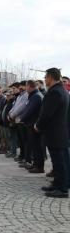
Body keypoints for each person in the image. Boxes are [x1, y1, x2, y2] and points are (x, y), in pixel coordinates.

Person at [35, 68, 70, 198]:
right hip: (61, 132)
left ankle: (62, 189)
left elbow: (46, 114)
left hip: (55, 132)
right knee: (61, 161)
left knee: (60, 162)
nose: (45, 80)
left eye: (45, 77)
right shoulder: (63, 90)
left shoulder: (54, 92)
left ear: (50, 77)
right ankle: (58, 183)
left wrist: (38, 125)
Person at [18, 80, 44, 173]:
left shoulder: (36, 96)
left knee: (37, 147)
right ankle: (35, 164)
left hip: (34, 125)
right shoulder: (34, 95)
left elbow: (29, 110)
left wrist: (21, 118)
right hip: (31, 124)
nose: (25, 88)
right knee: (34, 146)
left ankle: (39, 166)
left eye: (26, 86)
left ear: (29, 86)